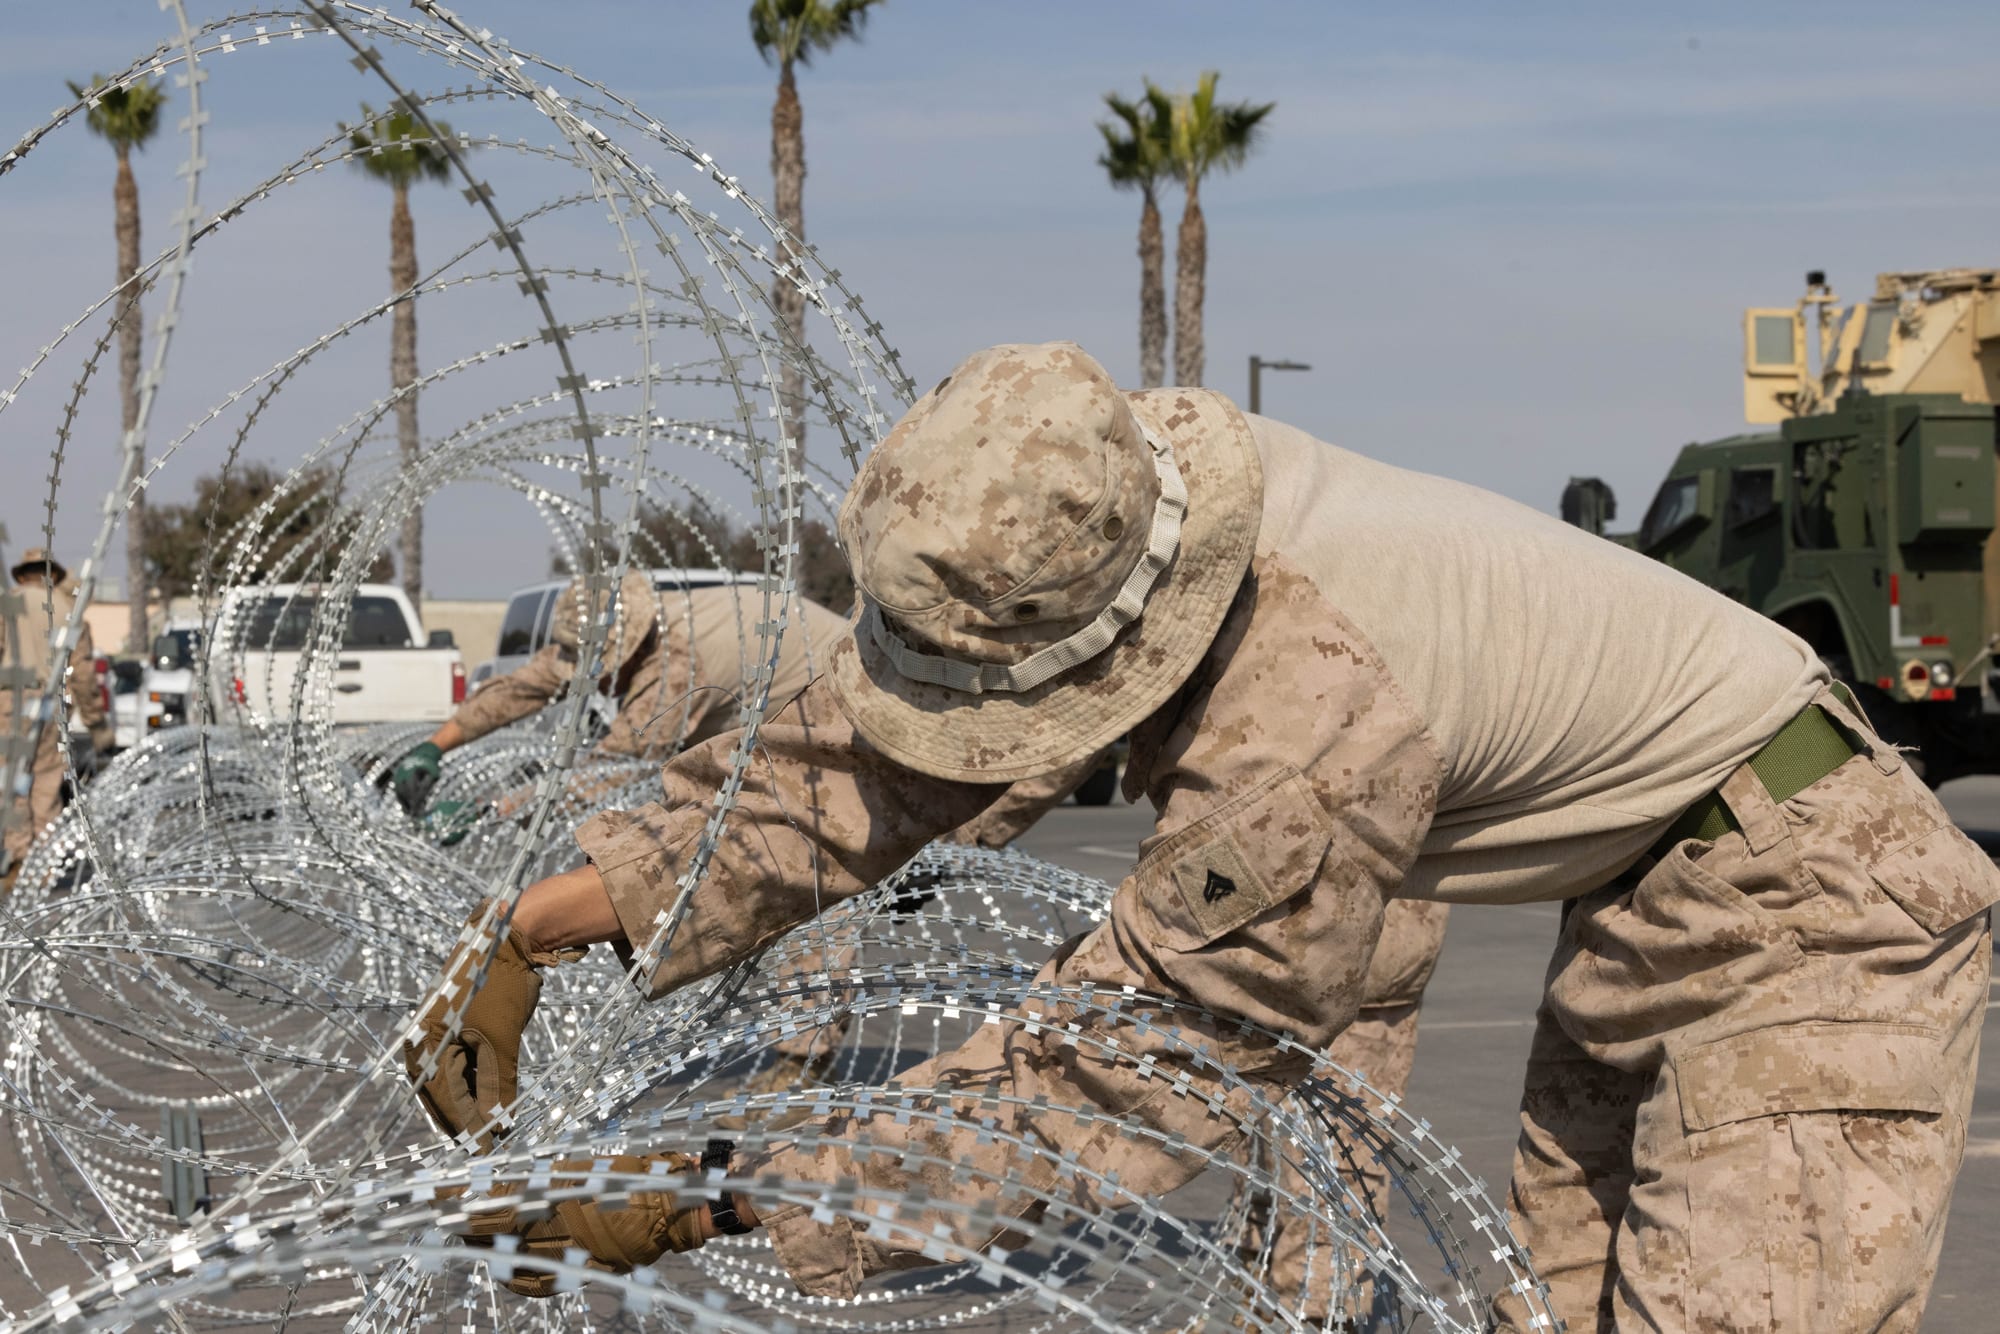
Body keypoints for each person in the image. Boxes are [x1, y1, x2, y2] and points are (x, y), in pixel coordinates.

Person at [408, 343, 1993, 1329]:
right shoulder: (1097, 489)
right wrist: (552, 917)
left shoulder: (1309, 716)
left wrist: (713, 1187)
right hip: (1656, 887)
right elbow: (868, 760)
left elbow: (1122, 1069)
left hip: (1810, 910)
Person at [384, 573, 847, 819]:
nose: (597, 685)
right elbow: (523, 687)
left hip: (832, 715)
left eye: (603, 671)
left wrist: (490, 811)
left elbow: (617, 767)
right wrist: (435, 746)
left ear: (628, 651)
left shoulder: (675, 663)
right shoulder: (625, 626)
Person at [2, 548, 108, 877]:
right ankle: (44, 864)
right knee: (47, 782)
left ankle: (18, 856)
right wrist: (96, 722)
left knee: (12, 779)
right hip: (54, 707)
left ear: (21, 575)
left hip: (11, 704)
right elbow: (84, 672)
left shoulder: (7, 603)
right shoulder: (68, 611)